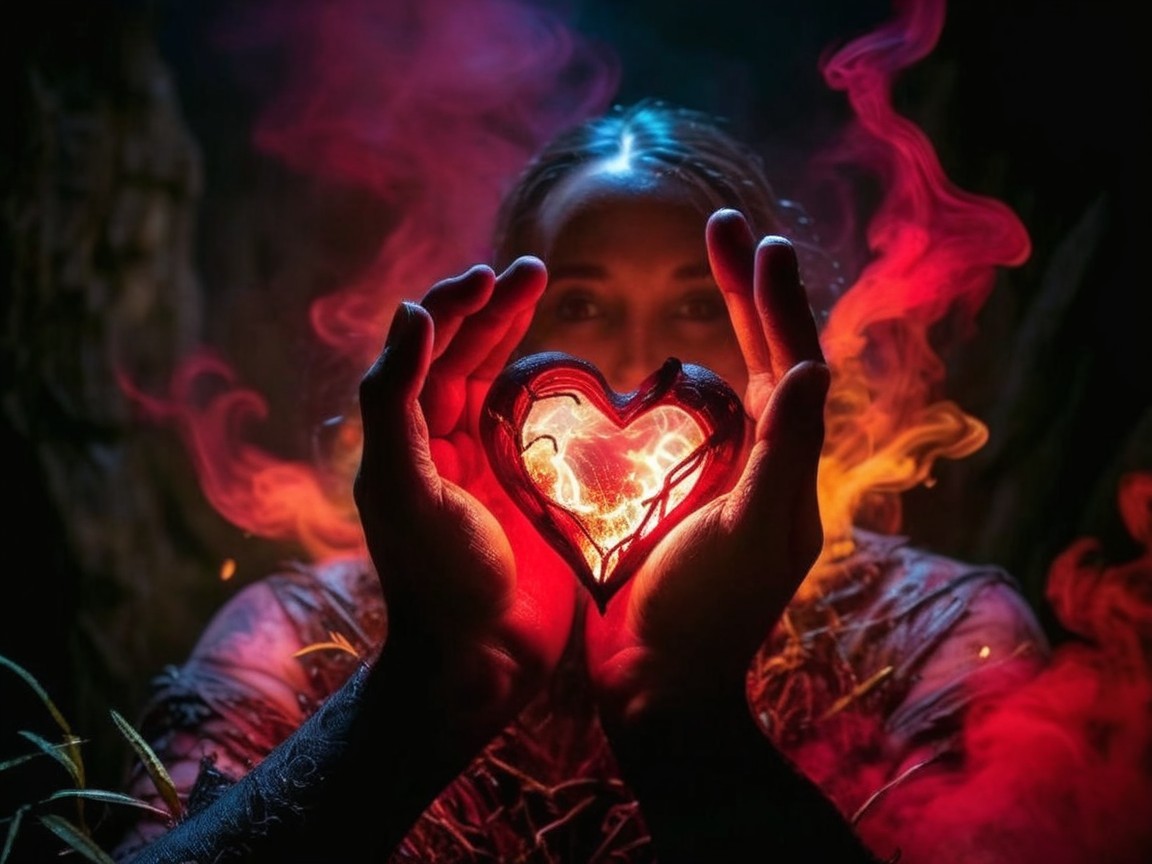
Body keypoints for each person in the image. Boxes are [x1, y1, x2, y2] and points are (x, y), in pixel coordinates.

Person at [110, 100, 1049, 863]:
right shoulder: (296, 638)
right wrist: (431, 680)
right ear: (500, 343)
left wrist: (677, 705)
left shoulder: (936, 633)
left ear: (775, 349)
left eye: (696, 304)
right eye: (583, 305)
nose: (642, 364)